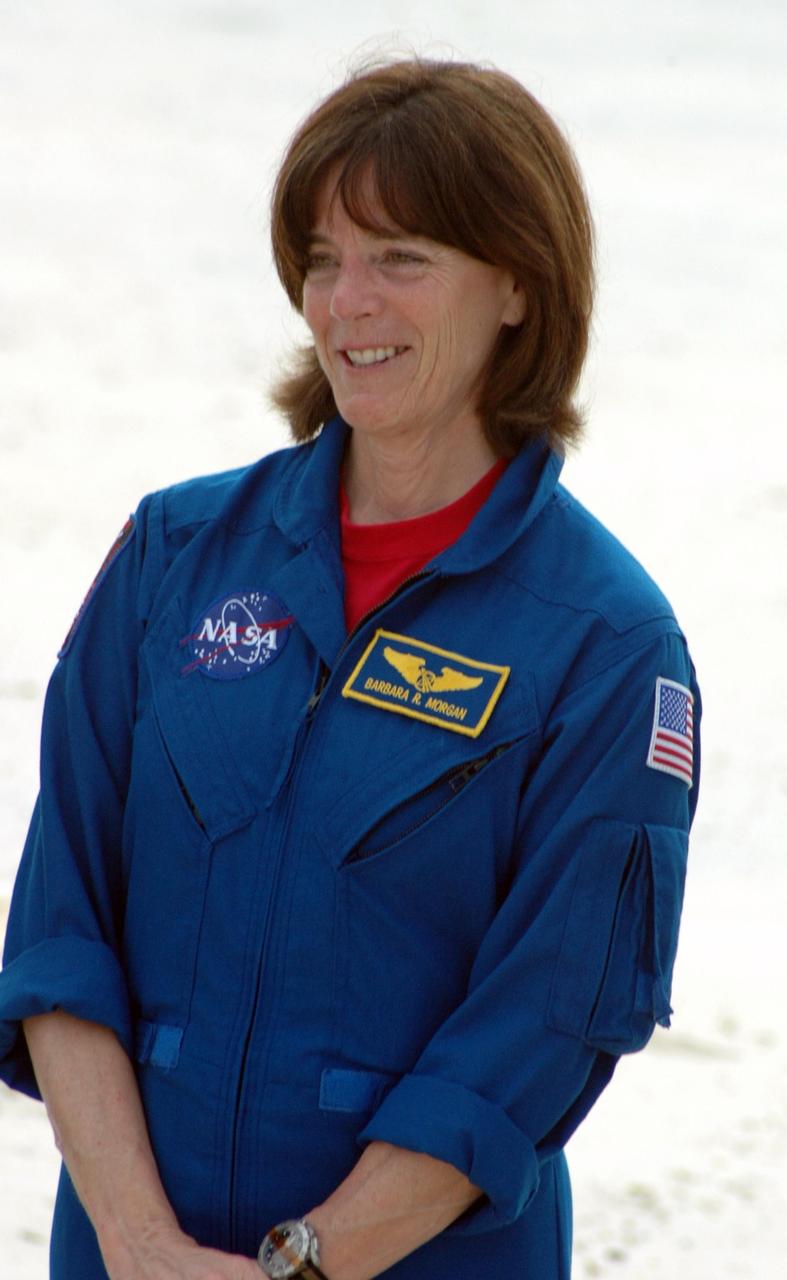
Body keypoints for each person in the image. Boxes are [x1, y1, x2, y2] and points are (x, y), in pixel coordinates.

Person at [0, 57, 700, 1280]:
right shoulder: (174, 554)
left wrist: (302, 1265)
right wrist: (136, 1242)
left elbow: (535, 1032)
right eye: (322, 260)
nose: (345, 305)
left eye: (401, 258)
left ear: (519, 286)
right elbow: (62, 934)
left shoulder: (609, 646)